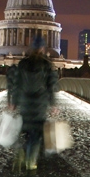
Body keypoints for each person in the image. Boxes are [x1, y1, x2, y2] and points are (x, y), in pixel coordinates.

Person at [11, 36, 58, 170]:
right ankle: (31, 160)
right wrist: (53, 104)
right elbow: (51, 86)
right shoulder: (47, 65)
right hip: (39, 103)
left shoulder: (22, 64)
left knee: (26, 130)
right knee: (36, 133)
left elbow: (16, 84)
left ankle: (23, 151)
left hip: (25, 102)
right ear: (42, 48)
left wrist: (14, 102)